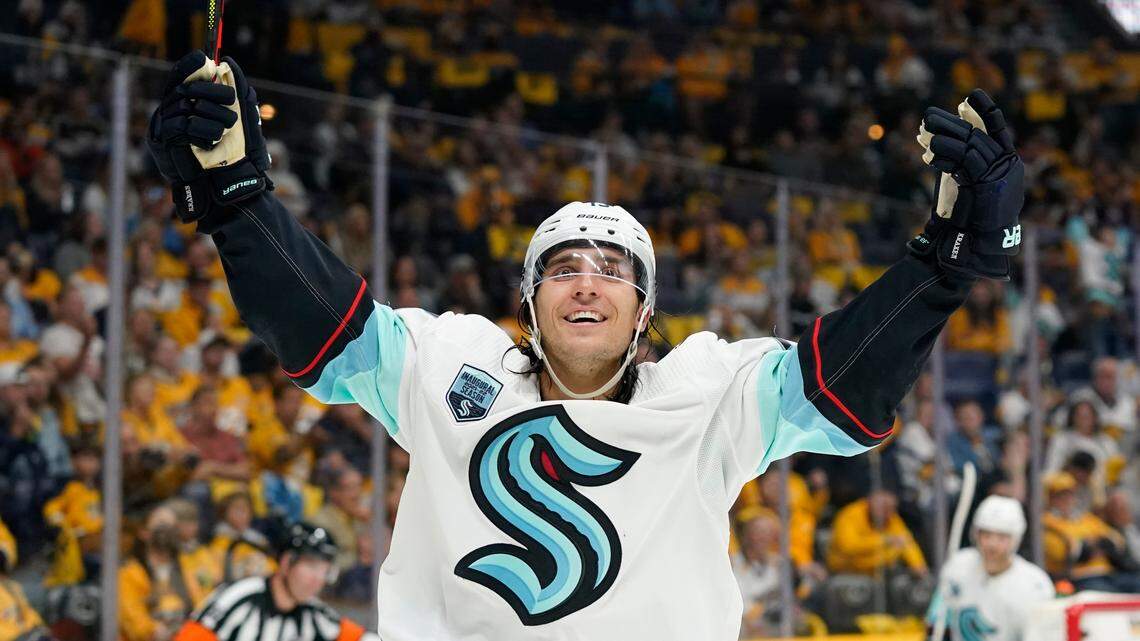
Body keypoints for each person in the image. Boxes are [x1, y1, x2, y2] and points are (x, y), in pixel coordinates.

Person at [147, 51, 1024, 641]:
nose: (588, 280)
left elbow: (839, 390)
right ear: (529, 301)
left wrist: (939, 271)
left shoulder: (706, 393)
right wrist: (240, 207)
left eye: (614, 269)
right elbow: (326, 328)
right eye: (563, 266)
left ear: (644, 312)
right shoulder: (454, 365)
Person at [174, 523, 379, 641]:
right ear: (286, 562)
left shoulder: (314, 614)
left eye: (325, 571)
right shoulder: (237, 599)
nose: (318, 580)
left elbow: (359, 638)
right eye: (311, 566)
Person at [927, 495, 1054, 641]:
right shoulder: (957, 567)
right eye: (986, 534)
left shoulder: (1034, 585)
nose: (992, 545)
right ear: (975, 534)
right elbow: (936, 624)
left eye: (1001, 537)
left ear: (1016, 539)